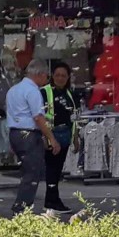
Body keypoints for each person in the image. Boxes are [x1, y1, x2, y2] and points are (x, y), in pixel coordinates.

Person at [6, 59, 60, 214]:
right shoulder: (33, 91)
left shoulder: (13, 90)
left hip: (15, 133)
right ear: (40, 74)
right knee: (33, 172)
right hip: (29, 134)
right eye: (46, 76)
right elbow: (38, 117)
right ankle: (22, 208)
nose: (46, 80)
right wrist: (51, 138)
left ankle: (22, 206)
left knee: (28, 170)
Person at [40, 63, 79, 214]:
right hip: (52, 134)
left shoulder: (70, 94)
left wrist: (75, 137)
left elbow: (74, 117)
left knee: (57, 169)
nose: (60, 78)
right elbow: (40, 116)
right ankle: (51, 202)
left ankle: (53, 200)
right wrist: (46, 138)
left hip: (65, 135)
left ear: (68, 77)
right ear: (52, 76)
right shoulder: (45, 92)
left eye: (63, 75)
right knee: (51, 168)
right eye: (57, 75)